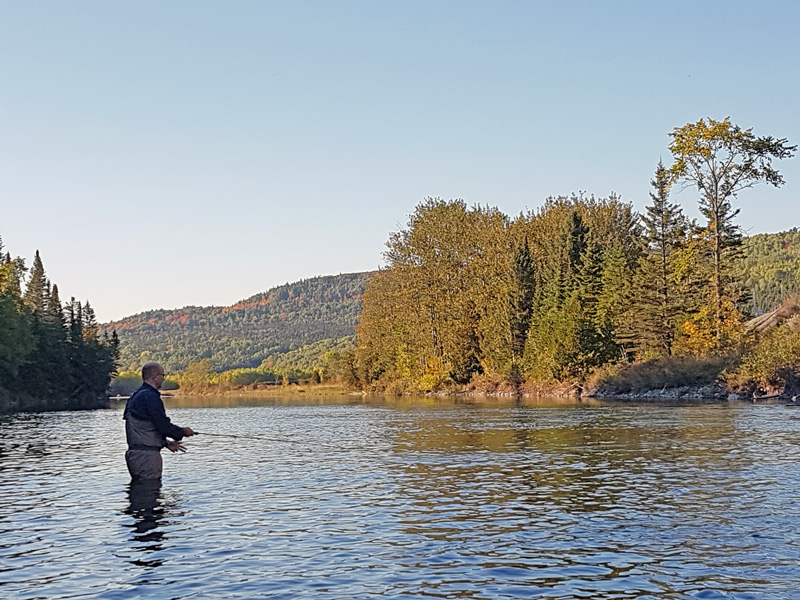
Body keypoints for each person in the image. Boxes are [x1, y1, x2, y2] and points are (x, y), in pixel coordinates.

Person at [123, 362, 195, 480]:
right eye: (163, 375)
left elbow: (143, 428)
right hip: (146, 457)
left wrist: (165, 443)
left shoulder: (135, 397)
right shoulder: (150, 397)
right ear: (155, 376)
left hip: (137, 455)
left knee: (143, 493)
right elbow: (163, 426)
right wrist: (182, 432)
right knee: (149, 493)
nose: (164, 378)